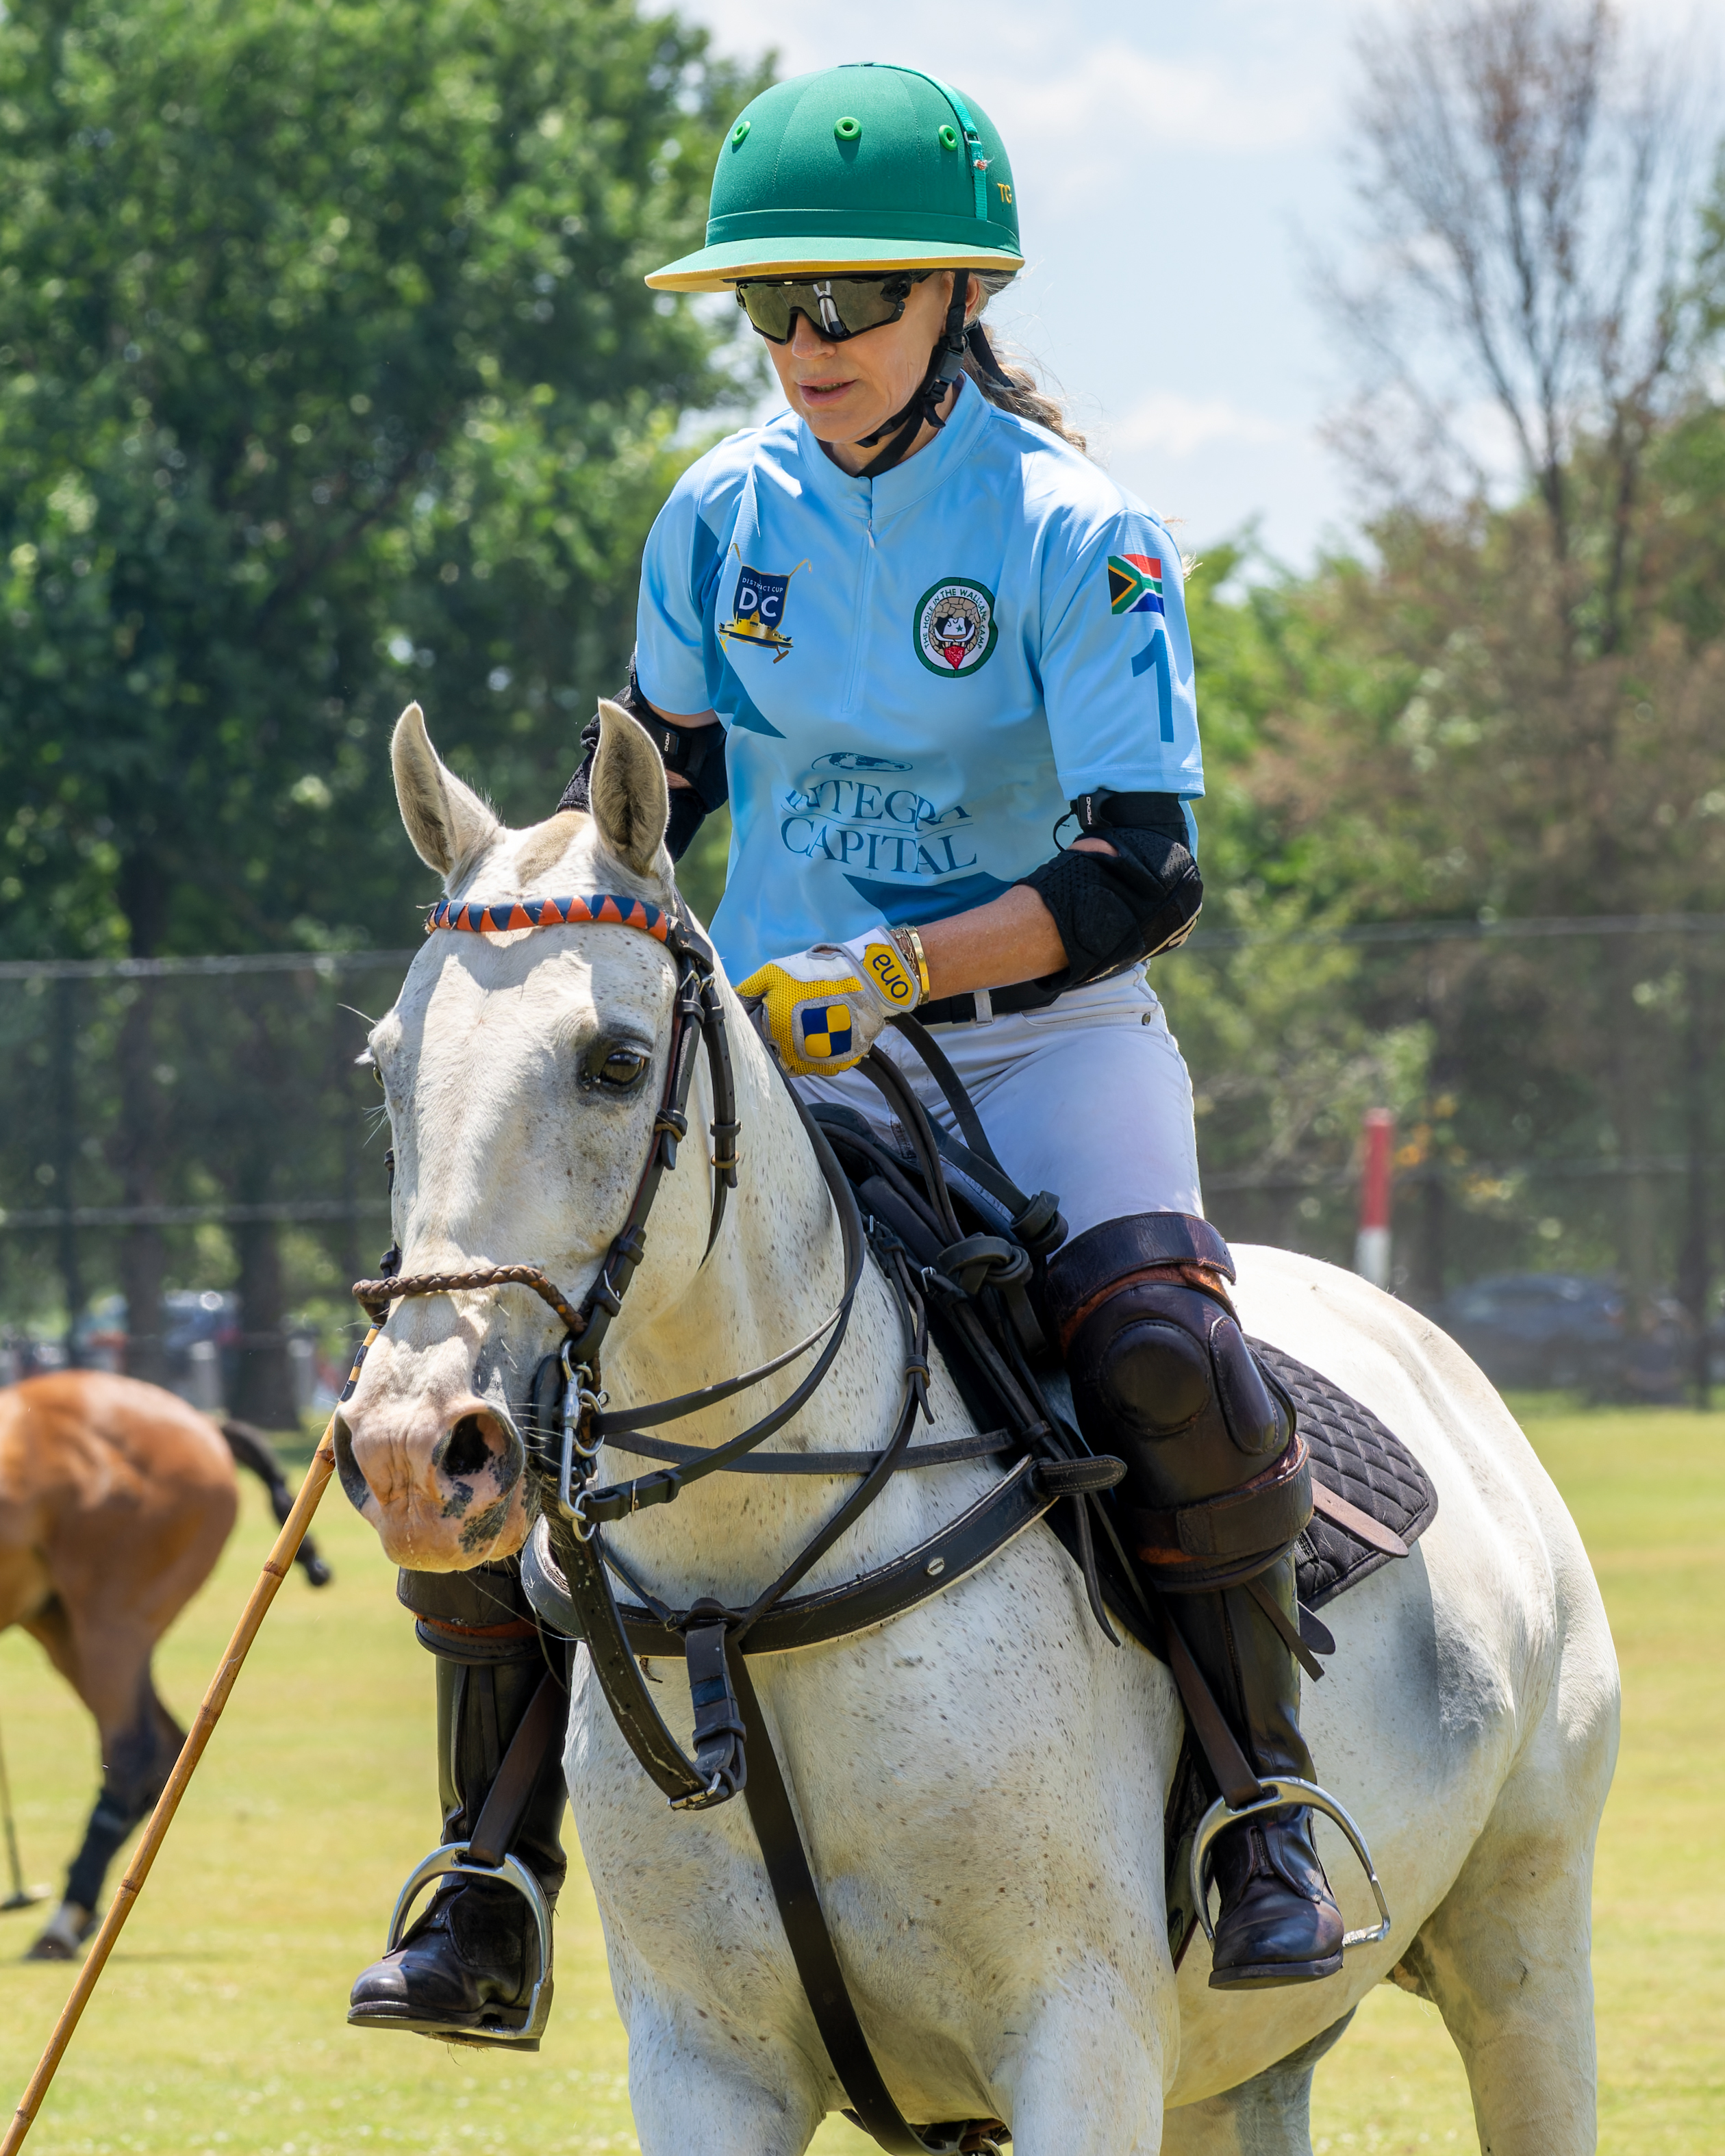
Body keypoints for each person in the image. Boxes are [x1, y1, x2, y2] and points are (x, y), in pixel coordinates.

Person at [349, 61, 1343, 2044]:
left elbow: (1145, 871)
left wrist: (893, 967)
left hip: (1043, 1042)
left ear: (956, 298)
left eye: (850, 305)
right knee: (520, 1398)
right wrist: (535, 940)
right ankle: (490, 1871)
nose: (805, 347)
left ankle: (1266, 1813)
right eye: (771, 309)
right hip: (777, 1072)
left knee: (1160, 1345)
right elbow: (659, 798)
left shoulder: (1080, 529)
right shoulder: (721, 517)